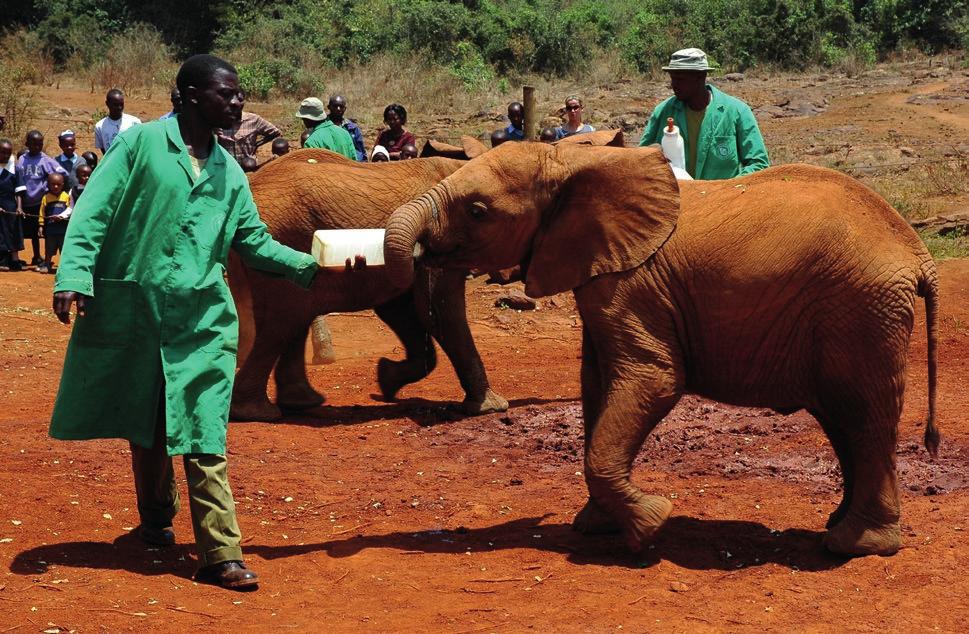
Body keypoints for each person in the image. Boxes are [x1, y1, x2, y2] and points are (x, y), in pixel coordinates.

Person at [49, 54, 354, 591]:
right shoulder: (141, 146)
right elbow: (94, 208)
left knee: (204, 431)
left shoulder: (229, 171)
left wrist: (314, 268)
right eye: (227, 94)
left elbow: (253, 242)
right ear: (189, 96)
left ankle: (220, 553)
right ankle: (155, 519)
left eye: (238, 94)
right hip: (138, 311)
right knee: (147, 424)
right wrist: (73, 273)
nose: (238, 102)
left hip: (204, 320)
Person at [639, 48, 769, 179]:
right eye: (673, 78)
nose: (674, 85)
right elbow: (640, 160)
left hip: (722, 197)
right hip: (677, 197)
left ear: (701, 77)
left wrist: (726, 188)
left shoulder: (737, 112)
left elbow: (759, 163)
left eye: (681, 79)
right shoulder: (663, 111)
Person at [16, 130, 67, 267]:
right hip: (24, 201)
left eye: (40, 144)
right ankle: (16, 257)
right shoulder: (22, 159)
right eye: (34, 144)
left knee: (38, 231)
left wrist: (48, 185)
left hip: (40, 201)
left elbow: (62, 173)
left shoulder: (45, 160)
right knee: (23, 230)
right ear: (27, 144)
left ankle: (38, 256)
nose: (37, 147)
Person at [217, 103, 281, 165]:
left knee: (248, 164)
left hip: (248, 166)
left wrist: (257, 144)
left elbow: (275, 132)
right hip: (227, 165)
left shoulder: (254, 119)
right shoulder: (218, 120)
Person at [37, 172, 70, 273]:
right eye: (53, 184)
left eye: (58, 184)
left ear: (63, 185)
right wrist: (41, 226)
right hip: (50, 229)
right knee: (49, 248)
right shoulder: (46, 198)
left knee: (63, 249)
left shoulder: (66, 197)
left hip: (63, 229)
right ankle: (47, 265)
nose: (56, 186)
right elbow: (41, 212)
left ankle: (64, 267)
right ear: (48, 184)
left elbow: (70, 210)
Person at [0, 138, 24, 271]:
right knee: (1, 233)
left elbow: (19, 191)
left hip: (11, 206)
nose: (5, 155)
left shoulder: (15, 168)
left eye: (8, 153)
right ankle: (3, 260)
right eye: (2, 152)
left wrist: (19, 207)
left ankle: (15, 259)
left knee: (13, 231)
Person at [94, 89, 141, 154]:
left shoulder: (134, 122)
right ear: (107, 104)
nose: (119, 107)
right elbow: (104, 150)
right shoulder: (100, 126)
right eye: (115, 105)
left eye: (121, 104)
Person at [325, 95, 367, 161]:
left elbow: (360, 151)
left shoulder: (352, 128)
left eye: (341, 106)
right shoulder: (322, 126)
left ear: (345, 109)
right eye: (335, 106)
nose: (338, 109)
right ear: (329, 107)